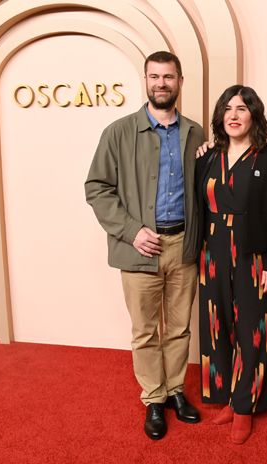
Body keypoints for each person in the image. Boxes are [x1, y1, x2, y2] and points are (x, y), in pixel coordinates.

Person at [85, 51, 203, 441]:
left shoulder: (196, 133)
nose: (161, 84)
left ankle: (174, 392)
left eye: (168, 77)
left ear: (179, 81)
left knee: (180, 328)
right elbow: (97, 188)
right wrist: (132, 230)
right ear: (146, 80)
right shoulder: (118, 132)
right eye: (154, 77)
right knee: (145, 330)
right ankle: (153, 399)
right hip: (139, 249)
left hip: (184, 244)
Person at [196, 85, 267, 444]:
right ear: (220, 116)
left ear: (254, 116)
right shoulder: (205, 157)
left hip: (253, 252)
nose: (234, 115)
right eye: (228, 109)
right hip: (212, 249)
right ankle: (228, 398)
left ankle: (246, 406)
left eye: (242, 109)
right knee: (219, 325)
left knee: (252, 328)